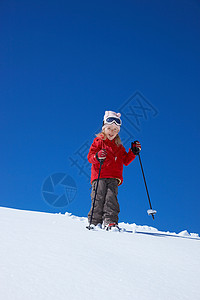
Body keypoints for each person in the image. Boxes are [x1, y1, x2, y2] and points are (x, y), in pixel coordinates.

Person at [87, 110, 141, 230]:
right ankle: (94, 221)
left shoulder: (119, 146)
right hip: (99, 175)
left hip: (113, 177)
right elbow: (90, 157)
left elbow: (126, 161)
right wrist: (97, 156)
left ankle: (110, 221)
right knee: (98, 197)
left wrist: (133, 152)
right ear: (104, 128)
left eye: (115, 130)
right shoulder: (98, 142)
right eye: (110, 128)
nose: (112, 132)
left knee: (111, 198)